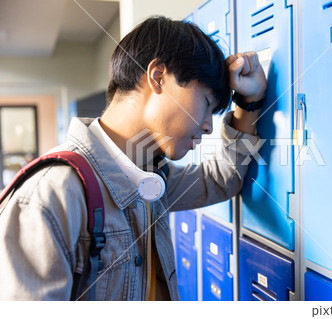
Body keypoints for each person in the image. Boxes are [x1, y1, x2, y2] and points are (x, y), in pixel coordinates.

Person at [0, 16, 267, 300]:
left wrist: (249, 104)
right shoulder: (49, 197)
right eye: (205, 103)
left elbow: (219, 180)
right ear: (157, 77)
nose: (208, 126)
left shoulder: (148, 175)